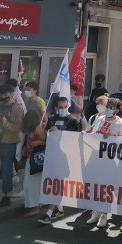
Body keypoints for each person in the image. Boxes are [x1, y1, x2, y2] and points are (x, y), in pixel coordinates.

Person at [38, 96, 82, 224]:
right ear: (56, 108)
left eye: (65, 107)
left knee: (59, 184)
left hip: (66, 158)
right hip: (52, 157)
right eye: (60, 107)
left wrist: (59, 133)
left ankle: (49, 213)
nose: (63, 109)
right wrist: (40, 132)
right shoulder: (52, 119)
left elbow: (74, 141)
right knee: (55, 183)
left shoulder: (73, 121)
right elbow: (46, 138)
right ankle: (60, 209)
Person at [86, 98, 122, 228]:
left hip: (110, 159)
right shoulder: (100, 119)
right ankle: (97, 211)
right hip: (96, 157)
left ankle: (105, 214)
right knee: (96, 185)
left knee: (107, 186)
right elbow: (92, 131)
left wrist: (111, 137)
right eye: (108, 106)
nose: (108, 109)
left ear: (117, 110)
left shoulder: (120, 123)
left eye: (111, 107)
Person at [20, 109, 45, 217]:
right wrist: (25, 146)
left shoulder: (40, 131)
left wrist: (39, 141)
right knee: (35, 184)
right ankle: (38, 203)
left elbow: (47, 141)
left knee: (30, 184)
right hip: (32, 159)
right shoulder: (32, 132)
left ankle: (34, 207)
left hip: (36, 160)